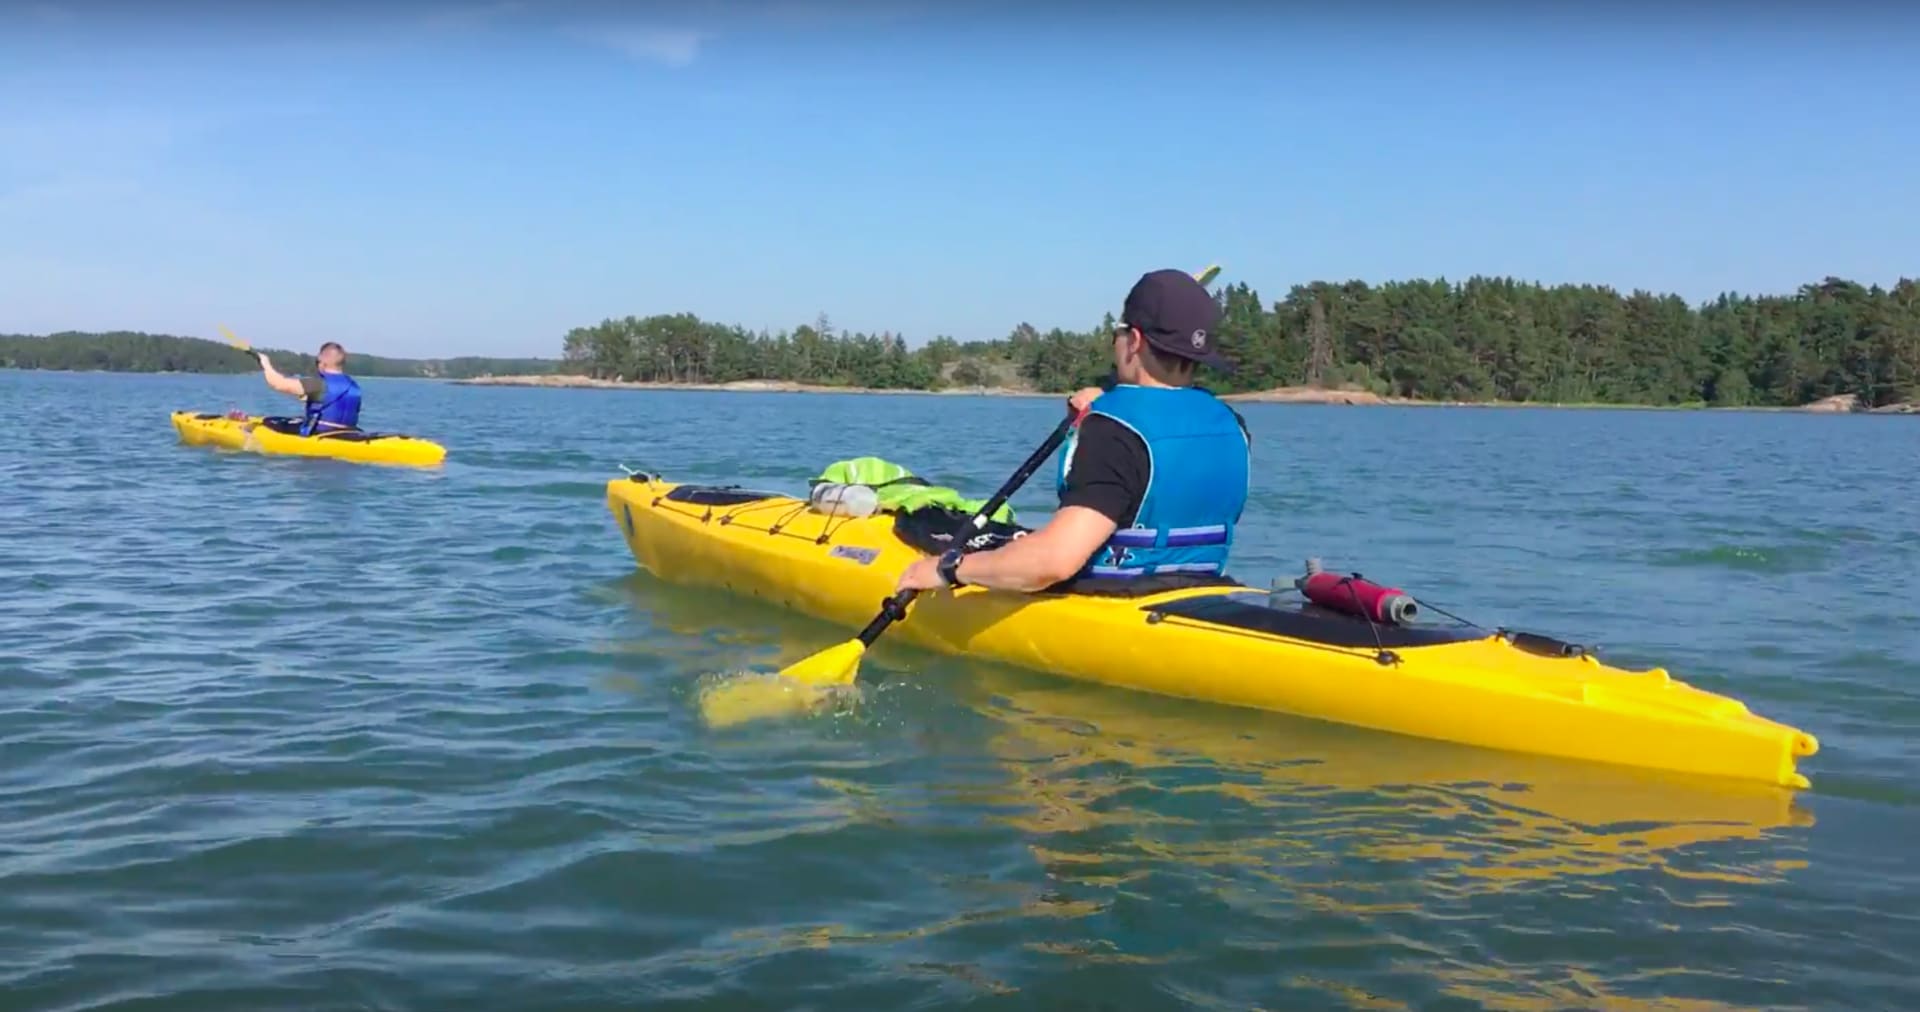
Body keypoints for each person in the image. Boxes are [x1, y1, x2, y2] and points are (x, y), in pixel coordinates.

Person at [897, 268, 1251, 594]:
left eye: (1118, 331)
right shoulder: (1232, 423)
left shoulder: (1113, 429)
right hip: (1202, 589)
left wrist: (951, 569)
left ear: (1135, 340)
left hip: (1113, 597)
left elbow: (1054, 561)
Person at [255, 342, 363, 435]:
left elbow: (278, 384)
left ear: (323, 362)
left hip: (321, 433)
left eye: (317, 362)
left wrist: (265, 364)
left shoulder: (317, 383)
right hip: (349, 433)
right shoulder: (354, 386)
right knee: (298, 419)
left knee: (269, 422)